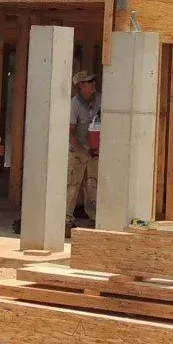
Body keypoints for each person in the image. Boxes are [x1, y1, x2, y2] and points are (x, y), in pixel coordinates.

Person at [66, 69, 101, 228]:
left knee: (93, 185)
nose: (93, 84)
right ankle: (66, 220)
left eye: (93, 81)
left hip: (95, 151)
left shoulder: (100, 100)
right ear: (80, 85)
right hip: (78, 152)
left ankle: (95, 218)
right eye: (89, 82)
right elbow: (70, 132)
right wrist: (81, 151)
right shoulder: (75, 104)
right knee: (72, 185)